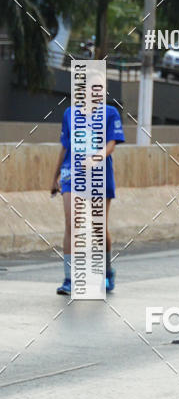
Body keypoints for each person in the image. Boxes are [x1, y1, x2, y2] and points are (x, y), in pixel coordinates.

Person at [51, 89, 125, 295]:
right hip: (71, 175)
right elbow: (65, 147)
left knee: (98, 227)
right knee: (71, 223)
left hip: (100, 176)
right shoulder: (69, 114)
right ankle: (69, 278)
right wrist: (54, 176)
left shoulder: (110, 113)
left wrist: (95, 159)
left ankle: (107, 271)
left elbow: (111, 144)